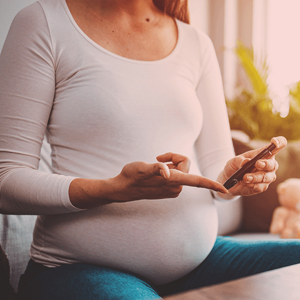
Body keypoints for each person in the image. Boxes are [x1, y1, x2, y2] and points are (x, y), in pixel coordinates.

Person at [0, 0, 298, 299]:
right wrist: (112, 189)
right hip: (76, 268)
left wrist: (234, 178)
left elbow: (218, 175)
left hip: (201, 263)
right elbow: (6, 181)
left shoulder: (195, 43)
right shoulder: (44, 24)